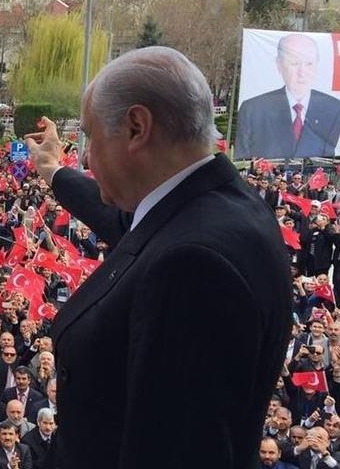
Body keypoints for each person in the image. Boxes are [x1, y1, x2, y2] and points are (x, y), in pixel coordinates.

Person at [26, 46, 292, 467]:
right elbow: (135, 228)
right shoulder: (218, 206)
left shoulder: (193, 266)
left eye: (92, 136)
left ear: (136, 127)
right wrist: (54, 171)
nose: (88, 156)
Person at [236, 33, 340, 159]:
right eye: (295, 63)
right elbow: (242, 160)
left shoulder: (333, 109)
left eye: (309, 63)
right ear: (279, 64)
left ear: (317, 65)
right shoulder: (253, 109)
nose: (302, 72)